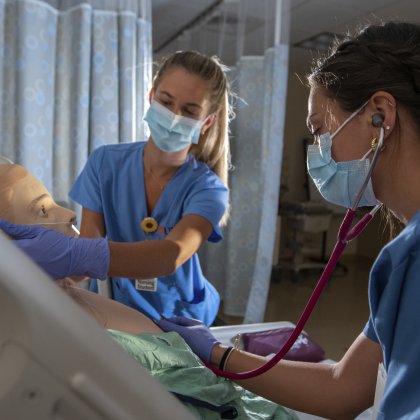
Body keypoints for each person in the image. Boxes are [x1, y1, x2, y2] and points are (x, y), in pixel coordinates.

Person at [154, 21, 420, 419]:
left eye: (319, 132)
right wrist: (218, 354)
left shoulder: (410, 259)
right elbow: (344, 389)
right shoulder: (404, 261)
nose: (318, 151)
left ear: (379, 116)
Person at [0, 161, 297, 419]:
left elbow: (171, 255)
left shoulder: (206, 185)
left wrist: (217, 354)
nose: (69, 213)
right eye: (41, 209)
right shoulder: (44, 341)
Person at [0, 50, 233, 326]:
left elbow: (172, 254)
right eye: (166, 102)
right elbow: (86, 252)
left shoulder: (209, 189)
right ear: (150, 97)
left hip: (185, 317)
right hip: (123, 309)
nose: (173, 116)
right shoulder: (106, 162)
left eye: (189, 111)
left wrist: (72, 254)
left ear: (207, 122)